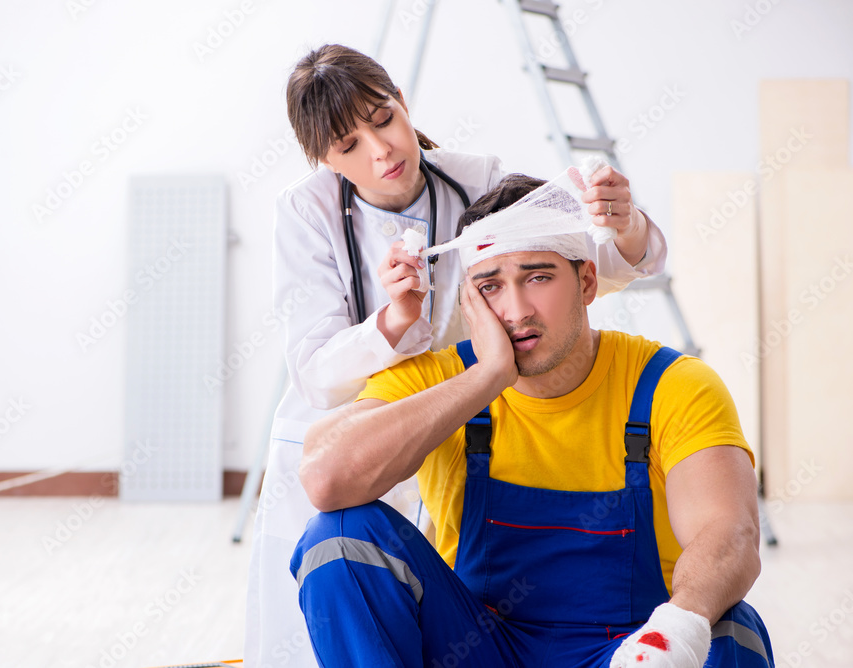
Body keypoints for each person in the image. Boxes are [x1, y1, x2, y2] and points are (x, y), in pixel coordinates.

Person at [245, 43, 670, 667]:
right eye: (348, 146)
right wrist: (392, 322)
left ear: (403, 103)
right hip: (346, 430)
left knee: (440, 614)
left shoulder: (476, 177)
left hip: (446, 419)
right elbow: (314, 374)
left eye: (383, 118)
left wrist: (624, 221)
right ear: (324, 160)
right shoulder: (304, 211)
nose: (381, 149)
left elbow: (583, 258)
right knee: (321, 622)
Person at [292, 173, 773, 668]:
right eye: (491, 287)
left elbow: (729, 532)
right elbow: (326, 480)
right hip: (476, 651)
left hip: (629, 653)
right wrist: (488, 377)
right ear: (468, 302)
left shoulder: (671, 385)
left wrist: (673, 634)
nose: (516, 310)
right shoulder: (439, 381)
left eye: (538, 277)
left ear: (586, 281)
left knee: (730, 630)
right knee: (340, 536)